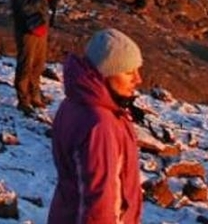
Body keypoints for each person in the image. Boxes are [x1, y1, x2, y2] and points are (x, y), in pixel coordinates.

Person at [48, 28, 144, 224]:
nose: (138, 79)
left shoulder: (74, 101)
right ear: (105, 73)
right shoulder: (100, 123)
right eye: (128, 72)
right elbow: (100, 200)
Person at [10, 0, 57, 115]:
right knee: (26, 64)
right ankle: (23, 100)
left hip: (40, 28)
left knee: (38, 64)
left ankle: (35, 95)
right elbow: (25, 8)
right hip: (27, 30)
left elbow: (40, 4)